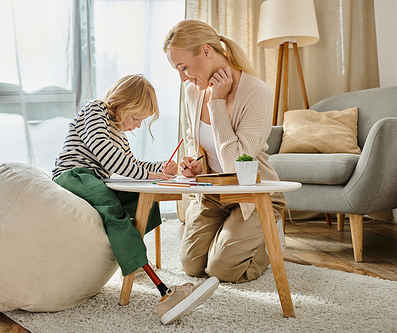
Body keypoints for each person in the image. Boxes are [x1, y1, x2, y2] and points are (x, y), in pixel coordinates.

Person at [52, 74, 219, 325]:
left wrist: (160, 167)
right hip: (74, 174)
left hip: (96, 181)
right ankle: (160, 288)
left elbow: (131, 164)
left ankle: (134, 257)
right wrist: (146, 174)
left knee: (145, 200)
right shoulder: (95, 110)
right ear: (122, 103)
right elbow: (104, 152)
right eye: (136, 118)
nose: (138, 125)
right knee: (112, 208)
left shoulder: (119, 133)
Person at [163, 20, 287, 283]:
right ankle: (231, 237)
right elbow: (195, 145)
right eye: (177, 70)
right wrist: (194, 164)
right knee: (191, 265)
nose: (183, 77)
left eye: (183, 67)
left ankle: (270, 241)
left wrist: (217, 102)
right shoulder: (192, 92)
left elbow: (234, 164)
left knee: (221, 269)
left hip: (253, 195)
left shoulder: (256, 92)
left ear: (206, 51)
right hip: (213, 194)